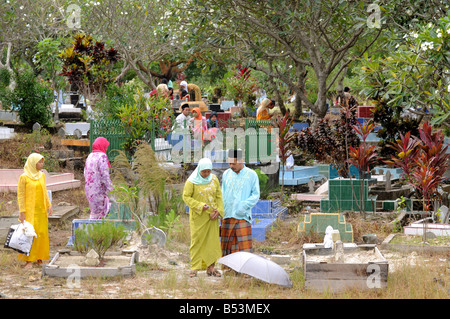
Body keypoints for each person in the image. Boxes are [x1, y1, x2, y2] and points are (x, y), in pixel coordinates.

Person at [182, 158, 224, 278]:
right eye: (203, 171)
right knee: (197, 241)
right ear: (199, 169)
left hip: (213, 217)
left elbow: (219, 196)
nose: (206, 174)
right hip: (198, 217)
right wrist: (200, 206)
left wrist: (219, 211)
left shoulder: (214, 179)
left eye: (208, 171)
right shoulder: (191, 182)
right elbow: (186, 197)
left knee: (212, 242)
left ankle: (211, 267)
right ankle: (194, 268)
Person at [220, 149, 260, 257]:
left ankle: (245, 272)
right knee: (227, 244)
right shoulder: (226, 174)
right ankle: (229, 269)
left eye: (234, 163)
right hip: (227, 214)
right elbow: (222, 193)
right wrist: (221, 210)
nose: (231, 166)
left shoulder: (251, 175)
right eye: (229, 163)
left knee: (243, 245)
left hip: (242, 215)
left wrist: (244, 206)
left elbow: (256, 195)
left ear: (241, 160)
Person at [17, 153, 53, 269]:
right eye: (39, 162)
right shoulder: (24, 177)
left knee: (41, 233)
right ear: (33, 163)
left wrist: (49, 205)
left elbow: (45, 190)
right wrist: (22, 211)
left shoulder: (42, 175)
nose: (42, 164)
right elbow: (21, 195)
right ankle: (28, 261)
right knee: (29, 234)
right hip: (29, 211)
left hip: (41, 210)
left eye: (42, 162)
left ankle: (39, 257)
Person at [84, 137, 113, 220]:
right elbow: (105, 176)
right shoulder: (102, 156)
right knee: (101, 214)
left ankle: (90, 229)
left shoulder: (90, 156)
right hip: (99, 190)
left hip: (89, 190)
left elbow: (85, 172)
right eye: (106, 146)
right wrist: (111, 190)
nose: (107, 149)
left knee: (94, 212)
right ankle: (97, 231)